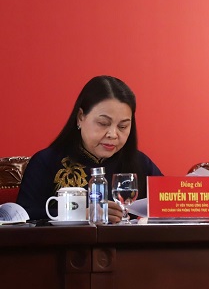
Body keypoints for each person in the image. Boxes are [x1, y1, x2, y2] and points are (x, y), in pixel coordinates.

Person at [17, 75, 162, 222]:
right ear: (80, 117)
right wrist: (79, 215)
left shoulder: (141, 163)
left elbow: (169, 206)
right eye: (103, 123)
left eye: (122, 126)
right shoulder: (46, 162)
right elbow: (23, 217)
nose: (113, 134)